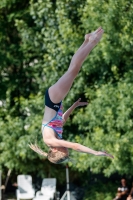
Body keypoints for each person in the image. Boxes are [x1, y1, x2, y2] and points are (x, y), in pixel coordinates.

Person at [29, 27, 114, 164]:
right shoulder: (56, 137)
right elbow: (62, 120)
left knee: (73, 70)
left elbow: (75, 146)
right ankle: (87, 40)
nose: (67, 150)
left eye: (65, 152)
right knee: (73, 70)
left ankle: (91, 42)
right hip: (55, 100)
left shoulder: (50, 140)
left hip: (53, 100)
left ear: (56, 151)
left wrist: (95, 152)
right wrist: (74, 105)